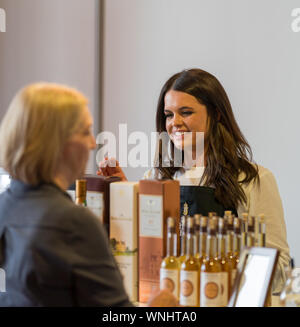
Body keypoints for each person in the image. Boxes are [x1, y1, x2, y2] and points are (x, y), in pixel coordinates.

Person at [98, 68, 290, 295]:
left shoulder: (252, 179)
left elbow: (279, 268)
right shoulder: (155, 178)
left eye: (186, 112)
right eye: (168, 115)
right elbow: (142, 257)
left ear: (217, 114)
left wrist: (221, 279)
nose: (174, 123)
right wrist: (127, 195)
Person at [0, 83, 177, 307]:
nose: (93, 144)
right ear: (56, 143)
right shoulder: (74, 222)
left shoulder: (4, 207)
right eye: (85, 132)